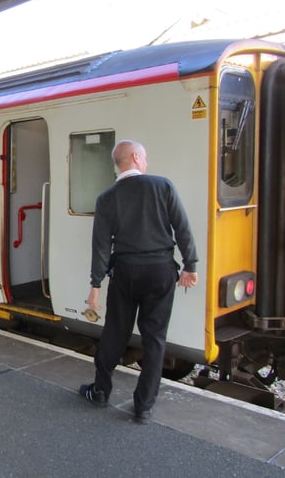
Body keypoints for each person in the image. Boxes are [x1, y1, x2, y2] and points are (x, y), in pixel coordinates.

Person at [80, 139, 198, 424]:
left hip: (126, 271)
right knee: (154, 339)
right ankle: (143, 407)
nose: (146, 163)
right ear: (135, 157)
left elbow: (100, 246)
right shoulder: (163, 186)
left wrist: (95, 285)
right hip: (160, 271)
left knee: (115, 332)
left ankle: (101, 391)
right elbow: (182, 227)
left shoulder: (107, 198)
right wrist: (190, 265)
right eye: (144, 158)